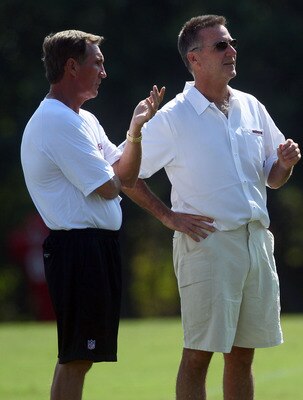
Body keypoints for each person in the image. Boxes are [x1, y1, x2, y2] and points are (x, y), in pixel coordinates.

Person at [122, 15, 301, 400]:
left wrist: (283, 164)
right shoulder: (172, 117)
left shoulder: (251, 106)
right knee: (199, 354)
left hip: (255, 242)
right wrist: (168, 216)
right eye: (221, 45)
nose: (232, 51)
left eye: (231, 43)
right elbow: (125, 174)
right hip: (208, 244)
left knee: (242, 355)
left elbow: (272, 177)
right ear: (195, 59)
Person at [20, 29, 165, 400]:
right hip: (77, 248)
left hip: (95, 247)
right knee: (75, 358)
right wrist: (113, 169)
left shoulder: (83, 118)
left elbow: (126, 176)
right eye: (97, 63)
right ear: (71, 66)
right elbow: (109, 187)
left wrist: (134, 133)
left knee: (79, 357)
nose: (104, 72)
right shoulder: (56, 120)